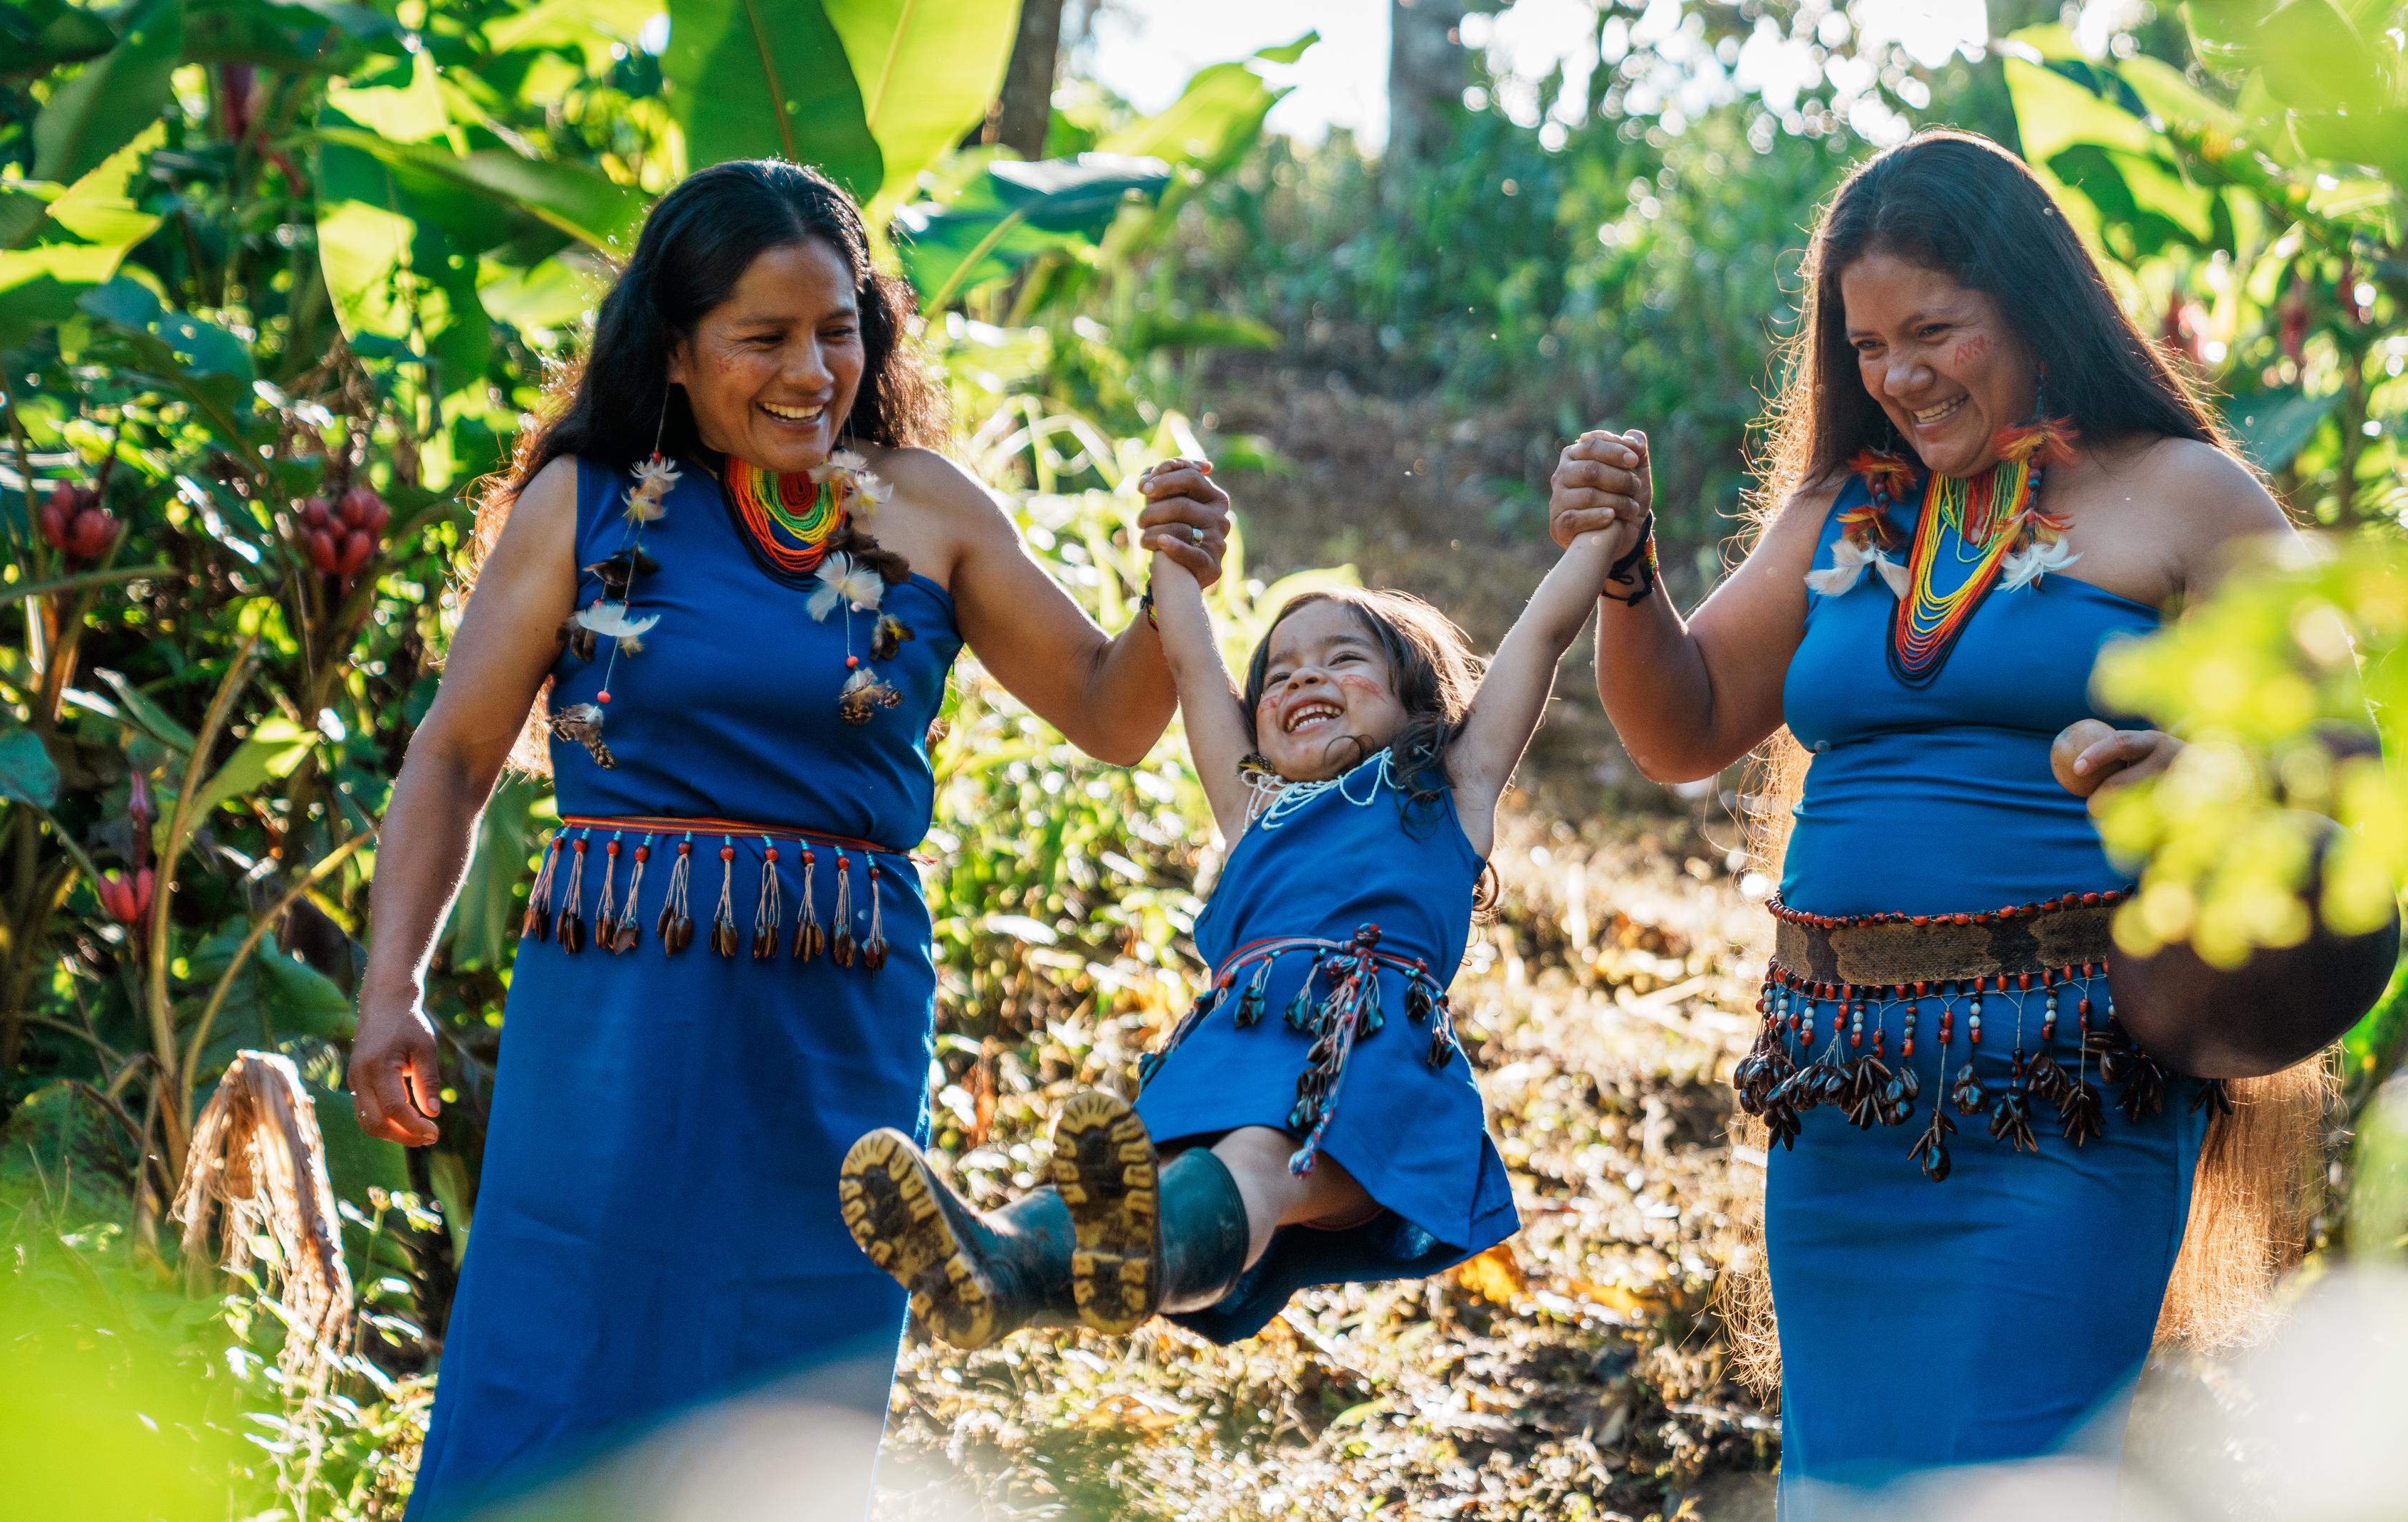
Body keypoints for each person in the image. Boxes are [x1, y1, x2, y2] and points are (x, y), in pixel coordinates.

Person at [343, 160, 1230, 1519]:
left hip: (836, 1021)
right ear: (678, 350)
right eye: (763, 337)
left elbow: (1112, 713)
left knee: (788, 1394)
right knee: (565, 1356)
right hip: (616, 1018)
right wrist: (389, 988)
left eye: (839, 328)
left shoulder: (929, 506)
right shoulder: (581, 505)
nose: (811, 369)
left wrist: (1174, 585)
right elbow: (455, 754)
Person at [1548, 130, 2303, 1508]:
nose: (1899, 375)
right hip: (1842, 1094)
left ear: (2032, 304)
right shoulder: (1845, 510)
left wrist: (2196, 770)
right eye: (1868, 345)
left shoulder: (2186, 496)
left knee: (2011, 1483)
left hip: (2070, 1087)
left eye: (1935, 331)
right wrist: (1626, 574)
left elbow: (2341, 761)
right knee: (1840, 1489)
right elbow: (1686, 719)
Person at [838, 464, 1627, 1348]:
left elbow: (1543, 634)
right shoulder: (1254, 806)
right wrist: (1175, 554)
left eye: (1343, 659)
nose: (1301, 680)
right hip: (1231, 1047)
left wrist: (1601, 535)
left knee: (1256, 1157)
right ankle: (999, 1268)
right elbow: (1190, 656)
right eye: (1280, 673)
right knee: (1132, 1179)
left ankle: (1146, 1260)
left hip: (1360, 1057)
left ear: (1417, 704)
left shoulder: (1448, 787)